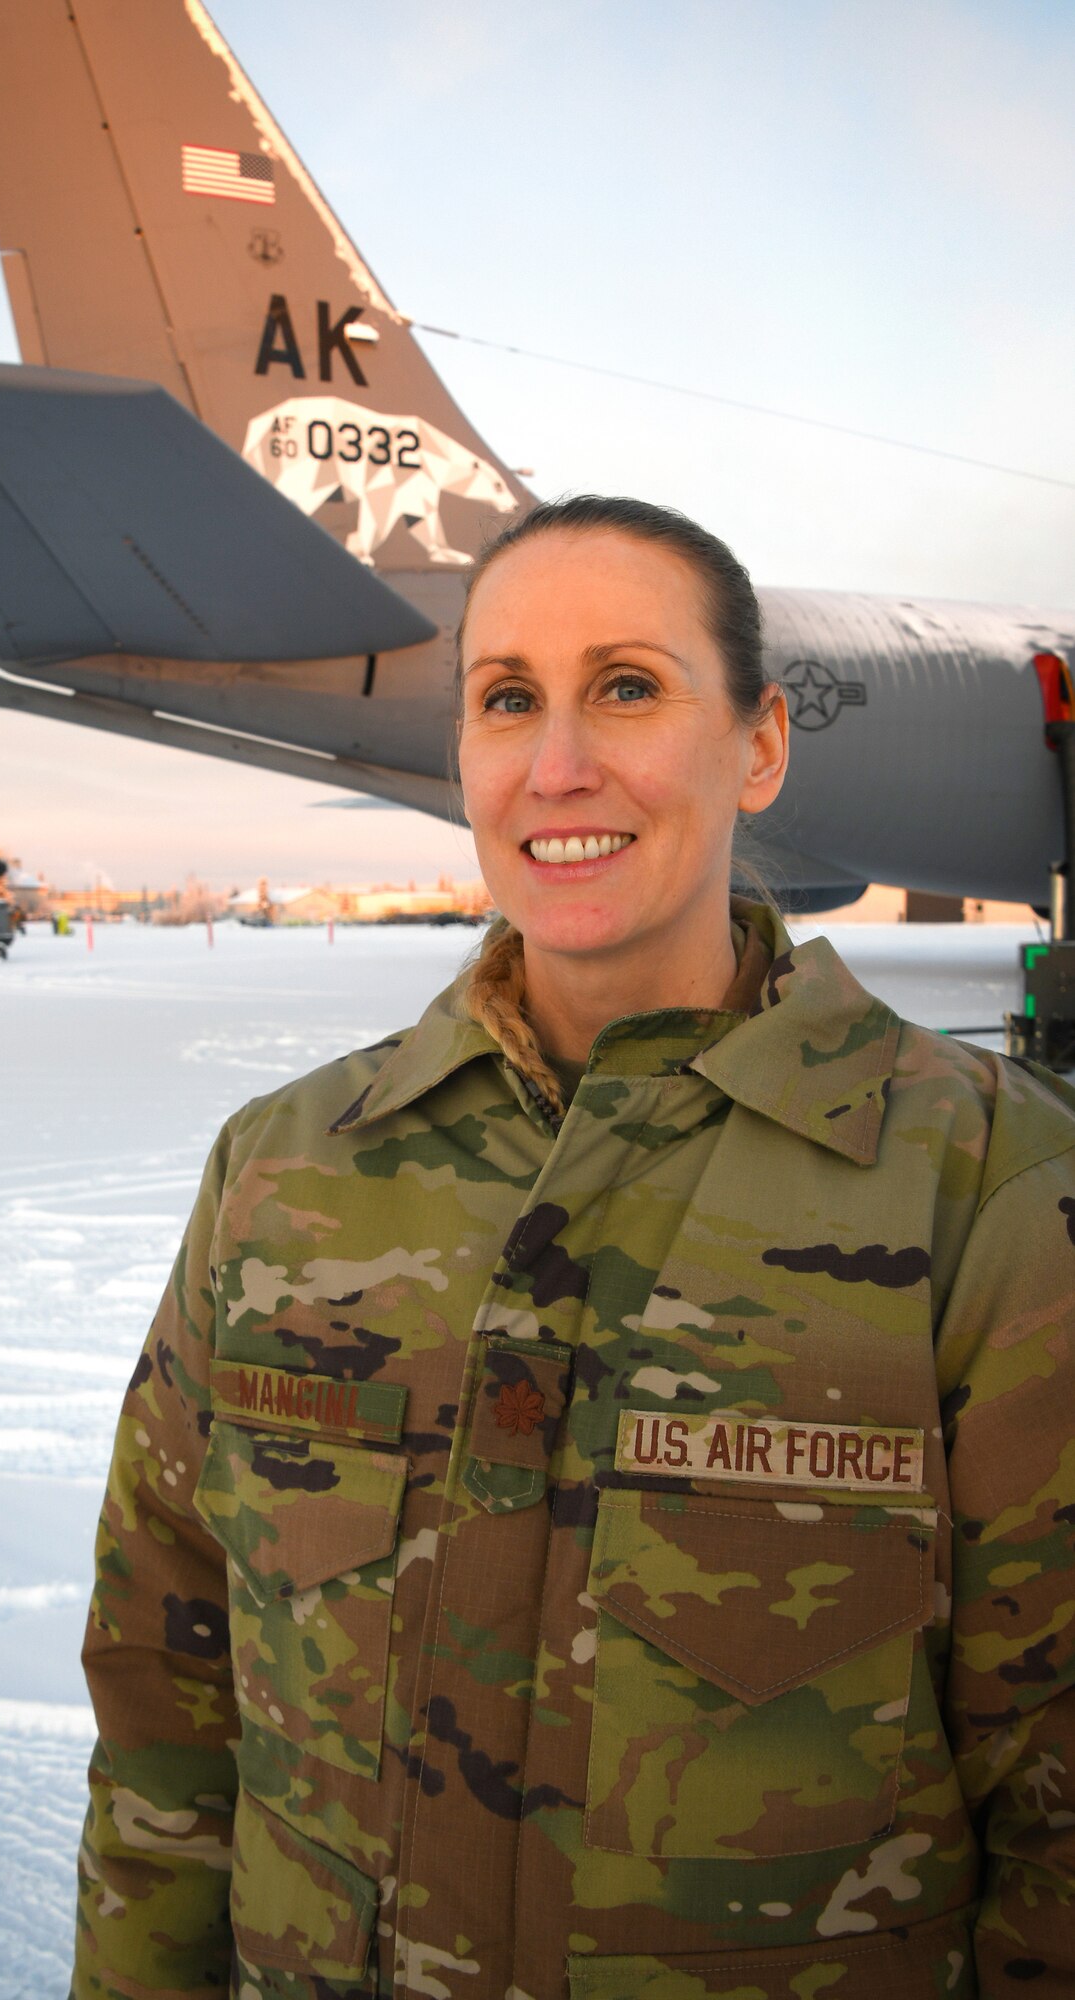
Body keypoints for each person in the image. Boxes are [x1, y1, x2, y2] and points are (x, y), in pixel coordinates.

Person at [71, 497, 1075, 2000]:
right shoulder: (285, 1172)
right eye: (507, 700)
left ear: (762, 745)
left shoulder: (989, 1192)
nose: (559, 767)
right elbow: (168, 1714)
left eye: (628, 686)